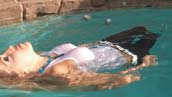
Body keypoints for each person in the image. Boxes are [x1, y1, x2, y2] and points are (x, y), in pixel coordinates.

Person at [0, 26, 159, 90]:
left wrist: (99, 43)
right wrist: (142, 66)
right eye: (7, 59)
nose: (8, 49)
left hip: (106, 43)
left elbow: (77, 52)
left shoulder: (43, 56)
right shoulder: (57, 72)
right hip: (128, 54)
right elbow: (105, 81)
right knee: (156, 33)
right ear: (23, 73)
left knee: (141, 29)